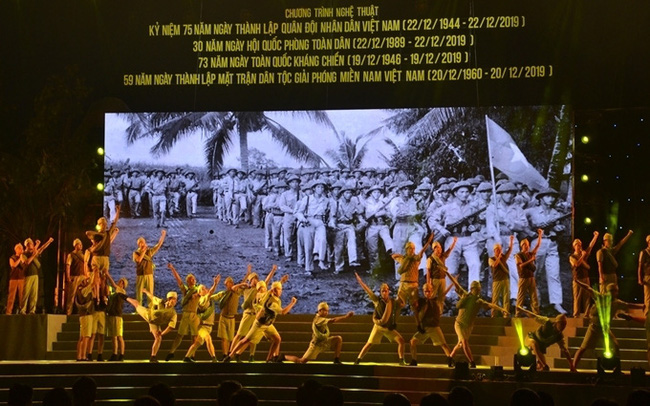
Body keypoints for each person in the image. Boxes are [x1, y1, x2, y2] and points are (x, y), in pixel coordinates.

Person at [572, 281, 643, 370]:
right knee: (583, 348)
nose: (615, 293)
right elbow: (588, 288)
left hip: (605, 329)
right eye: (613, 291)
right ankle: (573, 366)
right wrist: (578, 282)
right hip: (594, 327)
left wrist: (641, 307)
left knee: (616, 345)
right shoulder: (600, 297)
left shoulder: (617, 303)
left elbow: (628, 305)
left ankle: (617, 368)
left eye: (616, 291)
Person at [445, 271, 508, 368]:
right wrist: (447, 273)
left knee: (460, 344)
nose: (478, 291)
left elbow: (491, 305)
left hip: (468, 326)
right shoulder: (465, 295)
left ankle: (450, 358)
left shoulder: (479, 301)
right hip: (460, 324)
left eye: (479, 289)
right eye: (477, 289)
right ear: (472, 289)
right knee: (464, 342)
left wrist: (502, 309)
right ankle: (472, 362)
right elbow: (456, 284)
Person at [225, 281, 298, 362]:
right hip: (260, 324)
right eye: (279, 289)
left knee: (277, 339)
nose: (281, 291)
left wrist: (281, 281)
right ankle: (230, 356)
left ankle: (269, 359)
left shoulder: (269, 295)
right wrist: (292, 303)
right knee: (246, 340)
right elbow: (283, 312)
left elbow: (269, 289)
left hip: (267, 324)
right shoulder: (271, 301)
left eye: (281, 289)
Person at [525, 188, 570, 313]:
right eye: (548, 196)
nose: (551, 199)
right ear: (541, 198)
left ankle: (557, 303)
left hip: (552, 243)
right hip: (537, 243)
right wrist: (530, 231)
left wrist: (558, 228)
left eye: (552, 197)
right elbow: (519, 220)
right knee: (534, 273)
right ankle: (535, 301)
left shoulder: (556, 213)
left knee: (554, 274)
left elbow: (558, 227)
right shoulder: (532, 211)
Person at [230, 264, 285, 362]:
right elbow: (234, 288)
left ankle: (252, 356)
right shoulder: (247, 289)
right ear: (250, 280)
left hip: (258, 316)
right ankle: (231, 354)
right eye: (253, 279)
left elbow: (267, 282)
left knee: (254, 338)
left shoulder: (262, 290)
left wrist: (273, 271)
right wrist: (243, 282)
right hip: (248, 314)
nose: (256, 280)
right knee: (240, 335)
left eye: (256, 278)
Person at [354, 272, 407, 365]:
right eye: (383, 290)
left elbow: (401, 305)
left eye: (386, 290)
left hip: (388, 327)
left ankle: (401, 360)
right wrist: (360, 281)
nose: (384, 292)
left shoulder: (392, 302)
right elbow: (368, 291)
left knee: (401, 341)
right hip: (378, 327)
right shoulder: (377, 300)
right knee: (369, 343)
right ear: (380, 291)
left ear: (388, 291)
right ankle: (358, 360)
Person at [284, 302, 353, 364]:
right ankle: (285, 357)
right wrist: (346, 317)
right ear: (320, 311)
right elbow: (333, 320)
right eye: (325, 310)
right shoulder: (318, 320)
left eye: (327, 311)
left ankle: (336, 360)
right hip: (316, 345)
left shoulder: (323, 319)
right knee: (301, 361)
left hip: (324, 341)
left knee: (338, 339)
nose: (326, 312)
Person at [516, 306, 576, 371]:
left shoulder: (559, 336)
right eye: (561, 324)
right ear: (556, 323)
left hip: (540, 349)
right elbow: (534, 316)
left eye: (564, 325)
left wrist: (571, 365)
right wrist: (523, 310)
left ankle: (540, 365)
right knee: (534, 344)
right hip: (531, 339)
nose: (563, 327)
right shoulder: (547, 322)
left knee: (542, 367)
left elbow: (565, 350)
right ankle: (542, 364)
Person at [127, 289, 178, 362]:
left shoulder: (173, 313)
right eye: (173, 299)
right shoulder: (160, 302)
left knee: (158, 338)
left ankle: (153, 356)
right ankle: (126, 297)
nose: (174, 302)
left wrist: (162, 333)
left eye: (176, 300)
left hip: (155, 323)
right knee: (137, 304)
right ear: (169, 299)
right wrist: (145, 291)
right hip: (148, 315)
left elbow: (171, 326)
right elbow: (152, 297)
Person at [409, 282, 453, 366]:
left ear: (432, 291)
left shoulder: (436, 300)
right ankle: (414, 360)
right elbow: (416, 313)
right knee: (412, 342)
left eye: (428, 291)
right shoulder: (421, 301)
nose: (427, 293)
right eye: (425, 291)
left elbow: (444, 293)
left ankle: (450, 360)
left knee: (443, 344)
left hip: (434, 327)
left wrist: (452, 283)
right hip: (424, 328)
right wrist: (418, 325)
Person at [165, 263, 201, 361]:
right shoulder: (186, 291)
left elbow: (204, 292)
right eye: (191, 279)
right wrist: (172, 269)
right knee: (180, 334)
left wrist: (198, 294)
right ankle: (171, 352)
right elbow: (179, 280)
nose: (193, 280)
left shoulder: (198, 289)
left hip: (194, 314)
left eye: (193, 279)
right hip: (186, 314)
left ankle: (191, 355)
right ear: (188, 282)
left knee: (194, 336)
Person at [183, 275, 221, 362]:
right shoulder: (202, 299)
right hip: (202, 326)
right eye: (203, 289)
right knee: (208, 338)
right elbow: (210, 293)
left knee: (197, 343)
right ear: (199, 292)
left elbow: (215, 295)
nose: (205, 289)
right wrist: (215, 284)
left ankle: (186, 357)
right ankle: (214, 358)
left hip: (209, 326)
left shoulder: (208, 299)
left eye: (205, 288)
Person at [211, 275, 248, 360]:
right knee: (224, 338)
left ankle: (228, 355)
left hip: (231, 319)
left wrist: (247, 274)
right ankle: (224, 355)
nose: (230, 284)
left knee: (229, 339)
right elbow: (213, 297)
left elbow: (240, 284)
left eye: (231, 282)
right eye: (228, 283)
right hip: (223, 318)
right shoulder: (224, 294)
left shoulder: (237, 292)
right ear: (226, 284)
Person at [393, 234, 434, 310]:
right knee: (399, 303)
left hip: (413, 284)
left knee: (415, 305)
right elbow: (393, 256)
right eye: (410, 248)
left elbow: (422, 251)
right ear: (407, 249)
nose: (412, 250)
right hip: (404, 284)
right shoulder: (404, 259)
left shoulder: (416, 259)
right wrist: (403, 257)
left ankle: (417, 321)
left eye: (413, 248)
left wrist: (428, 242)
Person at [133, 230, 167, 307]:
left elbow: (158, 245)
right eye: (140, 243)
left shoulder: (149, 252)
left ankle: (150, 308)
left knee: (150, 292)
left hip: (149, 274)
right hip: (140, 275)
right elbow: (138, 260)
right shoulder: (136, 253)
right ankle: (139, 309)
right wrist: (143, 252)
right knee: (139, 293)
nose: (142, 244)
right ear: (138, 244)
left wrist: (163, 235)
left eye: (143, 242)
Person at [20, 237, 54, 314]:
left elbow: (42, 248)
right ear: (27, 245)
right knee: (26, 293)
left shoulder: (34, 253)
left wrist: (49, 241)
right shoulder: (23, 254)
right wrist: (34, 255)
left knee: (34, 294)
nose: (31, 245)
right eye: (30, 244)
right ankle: (23, 310)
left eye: (32, 244)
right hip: (28, 275)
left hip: (35, 275)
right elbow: (27, 262)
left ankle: (32, 310)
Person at [514, 230, 543, 317]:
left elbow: (538, 246)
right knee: (520, 297)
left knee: (534, 296)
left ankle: (536, 313)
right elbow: (521, 265)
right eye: (524, 245)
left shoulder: (530, 254)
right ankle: (518, 314)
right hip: (523, 278)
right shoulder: (518, 255)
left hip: (531, 277)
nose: (526, 246)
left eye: (527, 245)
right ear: (521, 246)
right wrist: (530, 261)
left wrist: (540, 235)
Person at [570, 231, 599, 317]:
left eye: (580, 245)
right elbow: (576, 264)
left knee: (587, 297)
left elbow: (590, 246)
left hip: (586, 278)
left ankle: (587, 314)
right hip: (577, 279)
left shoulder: (584, 254)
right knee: (577, 297)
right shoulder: (572, 256)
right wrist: (582, 256)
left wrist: (596, 237)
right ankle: (576, 314)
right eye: (577, 245)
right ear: (574, 246)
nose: (579, 246)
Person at [426, 238, 457, 312]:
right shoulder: (431, 259)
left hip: (442, 279)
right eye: (438, 248)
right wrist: (428, 283)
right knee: (432, 296)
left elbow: (449, 250)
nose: (440, 249)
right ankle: (429, 310)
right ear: (434, 249)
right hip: (434, 280)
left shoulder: (443, 256)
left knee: (441, 297)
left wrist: (454, 242)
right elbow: (428, 271)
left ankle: (440, 311)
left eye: (440, 248)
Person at [489, 235, 515, 318]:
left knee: (506, 297)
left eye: (499, 249)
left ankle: (506, 314)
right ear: (494, 251)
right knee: (495, 299)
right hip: (496, 280)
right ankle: (494, 315)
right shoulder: (491, 258)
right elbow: (494, 265)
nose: (499, 251)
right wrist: (498, 258)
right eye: (497, 250)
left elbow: (510, 250)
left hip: (505, 279)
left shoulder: (503, 257)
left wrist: (511, 240)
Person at [105, 274, 129, 361]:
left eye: (122, 283)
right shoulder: (115, 294)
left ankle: (121, 354)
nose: (120, 284)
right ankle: (114, 354)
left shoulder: (121, 292)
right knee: (114, 336)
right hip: (112, 315)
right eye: (120, 282)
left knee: (118, 336)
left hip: (117, 316)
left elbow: (113, 284)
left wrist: (107, 274)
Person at [65, 239, 86, 315]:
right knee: (71, 295)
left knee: (82, 295)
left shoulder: (83, 256)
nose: (80, 246)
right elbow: (68, 266)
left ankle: (81, 311)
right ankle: (68, 312)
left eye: (81, 244)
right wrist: (68, 277)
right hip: (74, 277)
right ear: (75, 245)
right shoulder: (71, 255)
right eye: (78, 244)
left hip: (82, 277)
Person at [637, 235, 650, 317]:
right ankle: (647, 314)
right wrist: (639, 278)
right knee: (648, 297)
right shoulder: (644, 252)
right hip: (648, 277)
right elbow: (640, 266)